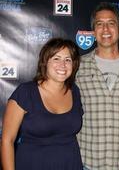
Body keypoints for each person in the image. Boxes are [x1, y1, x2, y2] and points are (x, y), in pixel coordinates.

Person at [76, 2, 119, 170]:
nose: (105, 29)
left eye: (111, 23)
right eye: (99, 24)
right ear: (93, 32)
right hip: (88, 160)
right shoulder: (78, 66)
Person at [1, 38, 83, 170]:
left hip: (70, 164)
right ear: (45, 62)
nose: (63, 65)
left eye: (68, 60)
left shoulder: (75, 91)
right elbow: (7, 141)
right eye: (56, 58)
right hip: (32, 164)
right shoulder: (26, 92)